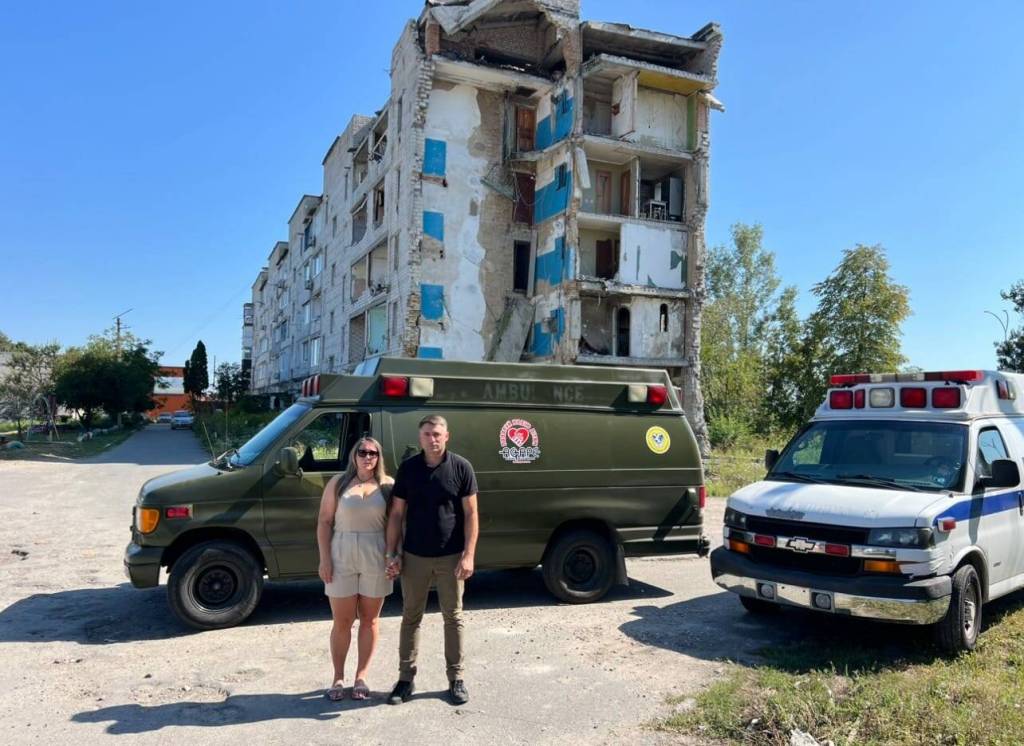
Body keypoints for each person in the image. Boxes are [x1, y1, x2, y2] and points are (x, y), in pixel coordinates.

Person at [385, 415, 479, 706]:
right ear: (420, 437)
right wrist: (392, 553)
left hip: (451, 557)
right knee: (411, 617)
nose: (433, 439)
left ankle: (456, 679)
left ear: (446, 436)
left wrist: (468, 555)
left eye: (437, 434)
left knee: (453, 617)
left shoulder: (461, 468)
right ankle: (405, 679)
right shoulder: (409, 469)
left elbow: (471, 514)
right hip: (415, 557)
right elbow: (397, 514)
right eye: (427, 434)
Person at [317, 436, 393, 701]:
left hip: (376, 554)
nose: (367, 456)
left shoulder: (387, 486)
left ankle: (361, 675)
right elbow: (325, 522)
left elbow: (396, 525)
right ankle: (338, 677)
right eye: (362, 452)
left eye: (373, 452)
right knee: (342, 621)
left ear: (378, 457)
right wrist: (325, 559)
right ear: (354, 455)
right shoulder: (338, 483)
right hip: (342, 553)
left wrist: (395, 556)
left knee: (370, 620)